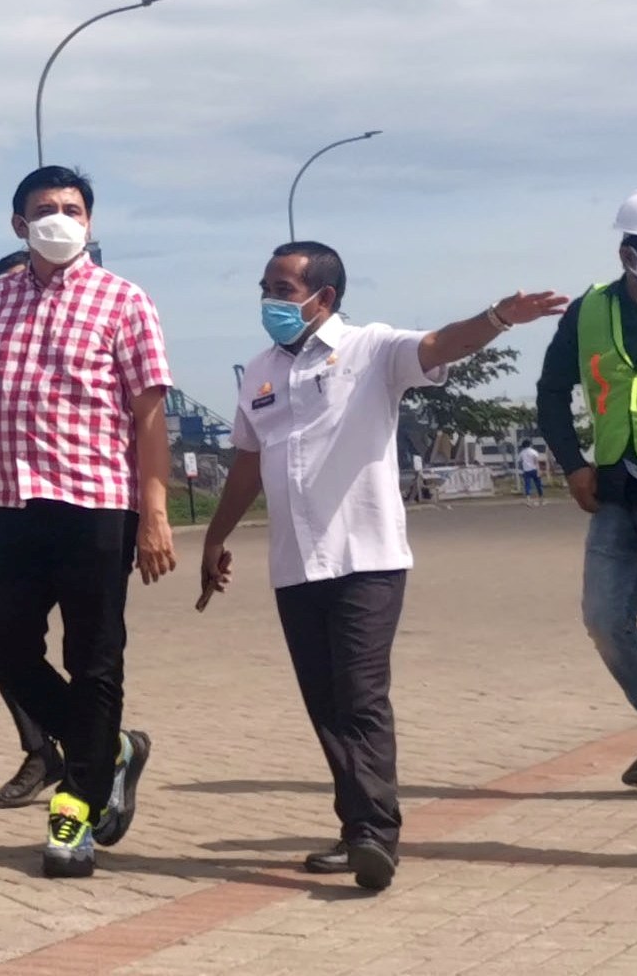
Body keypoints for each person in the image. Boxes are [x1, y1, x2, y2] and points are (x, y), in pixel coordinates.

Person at [200, 241, 564, 892]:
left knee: (361, 698)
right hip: (294, 564)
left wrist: (499, 318)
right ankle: (356, 828)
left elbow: (441, 345)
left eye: (283, 290)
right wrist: (214, 538)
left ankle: (374, 833)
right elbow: (247, 466)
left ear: (324, 297)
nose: (269, 301)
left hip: (366, 557)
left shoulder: (372, 350)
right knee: (326, 704)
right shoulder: (259, 371)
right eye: (265, 288)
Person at [0, 166, 176, 879]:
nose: (59, 219)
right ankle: (112, 750)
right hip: (13, 504)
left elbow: (150, 415)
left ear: (92, 223)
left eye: (73, 209)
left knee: (94, 661)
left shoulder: (125, 301)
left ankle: (76, 812)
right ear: (18, 224)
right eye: (45, 209)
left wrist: (155, 512)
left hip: (98, 507)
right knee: (4, 650)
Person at [536, 188, 637, 789]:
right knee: (604, 619)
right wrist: (573, 464)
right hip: (619, 492)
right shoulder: (589, 310)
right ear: (630, 255)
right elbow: (552, 391)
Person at [0, 248, 63, 808]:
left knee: (90, 649)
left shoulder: (87, 334)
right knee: (4, 645)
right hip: (13, 508)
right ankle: (46, 750)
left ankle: (95, 753)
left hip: (87, 511)